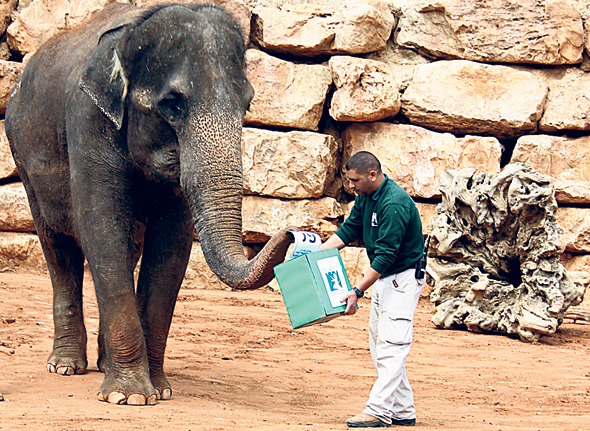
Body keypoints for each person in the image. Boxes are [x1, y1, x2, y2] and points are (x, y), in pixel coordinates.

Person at [320, 151, 425, 428]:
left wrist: (357, 290)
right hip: (386, 279)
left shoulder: (394, 203)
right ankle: (403, 410)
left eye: (355, 181)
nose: (351, 186)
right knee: (381, 343)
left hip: (401, 279)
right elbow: (349, 230)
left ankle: (378, 410)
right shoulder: (365, 198)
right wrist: (317, 255)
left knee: (392, 345)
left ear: (372, 175)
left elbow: (386, 255)